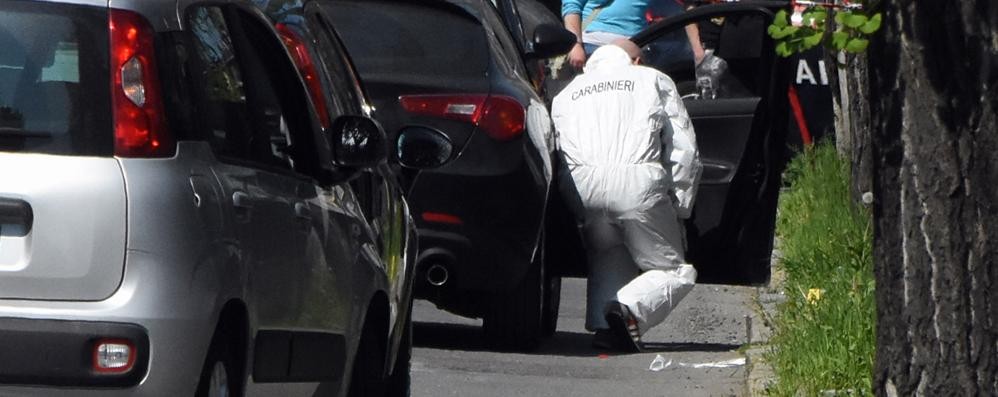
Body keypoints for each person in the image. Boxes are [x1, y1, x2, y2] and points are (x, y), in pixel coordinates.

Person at [551, 39, 702, 352]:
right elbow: (683, 148)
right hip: (637, 182)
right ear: (635, 61)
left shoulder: (566, 94)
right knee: (674, 270)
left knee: (609, 252)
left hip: (581, 186)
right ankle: (629, 309)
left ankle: (607, 329)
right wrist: (681, 204)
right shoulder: (653, 80)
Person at [561, 0, 705, 70]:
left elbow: (683, 10)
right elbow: (571, 6)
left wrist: (698, 52)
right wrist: (575, 44)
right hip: (596, 44)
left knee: (681, 51)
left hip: (637, 45)